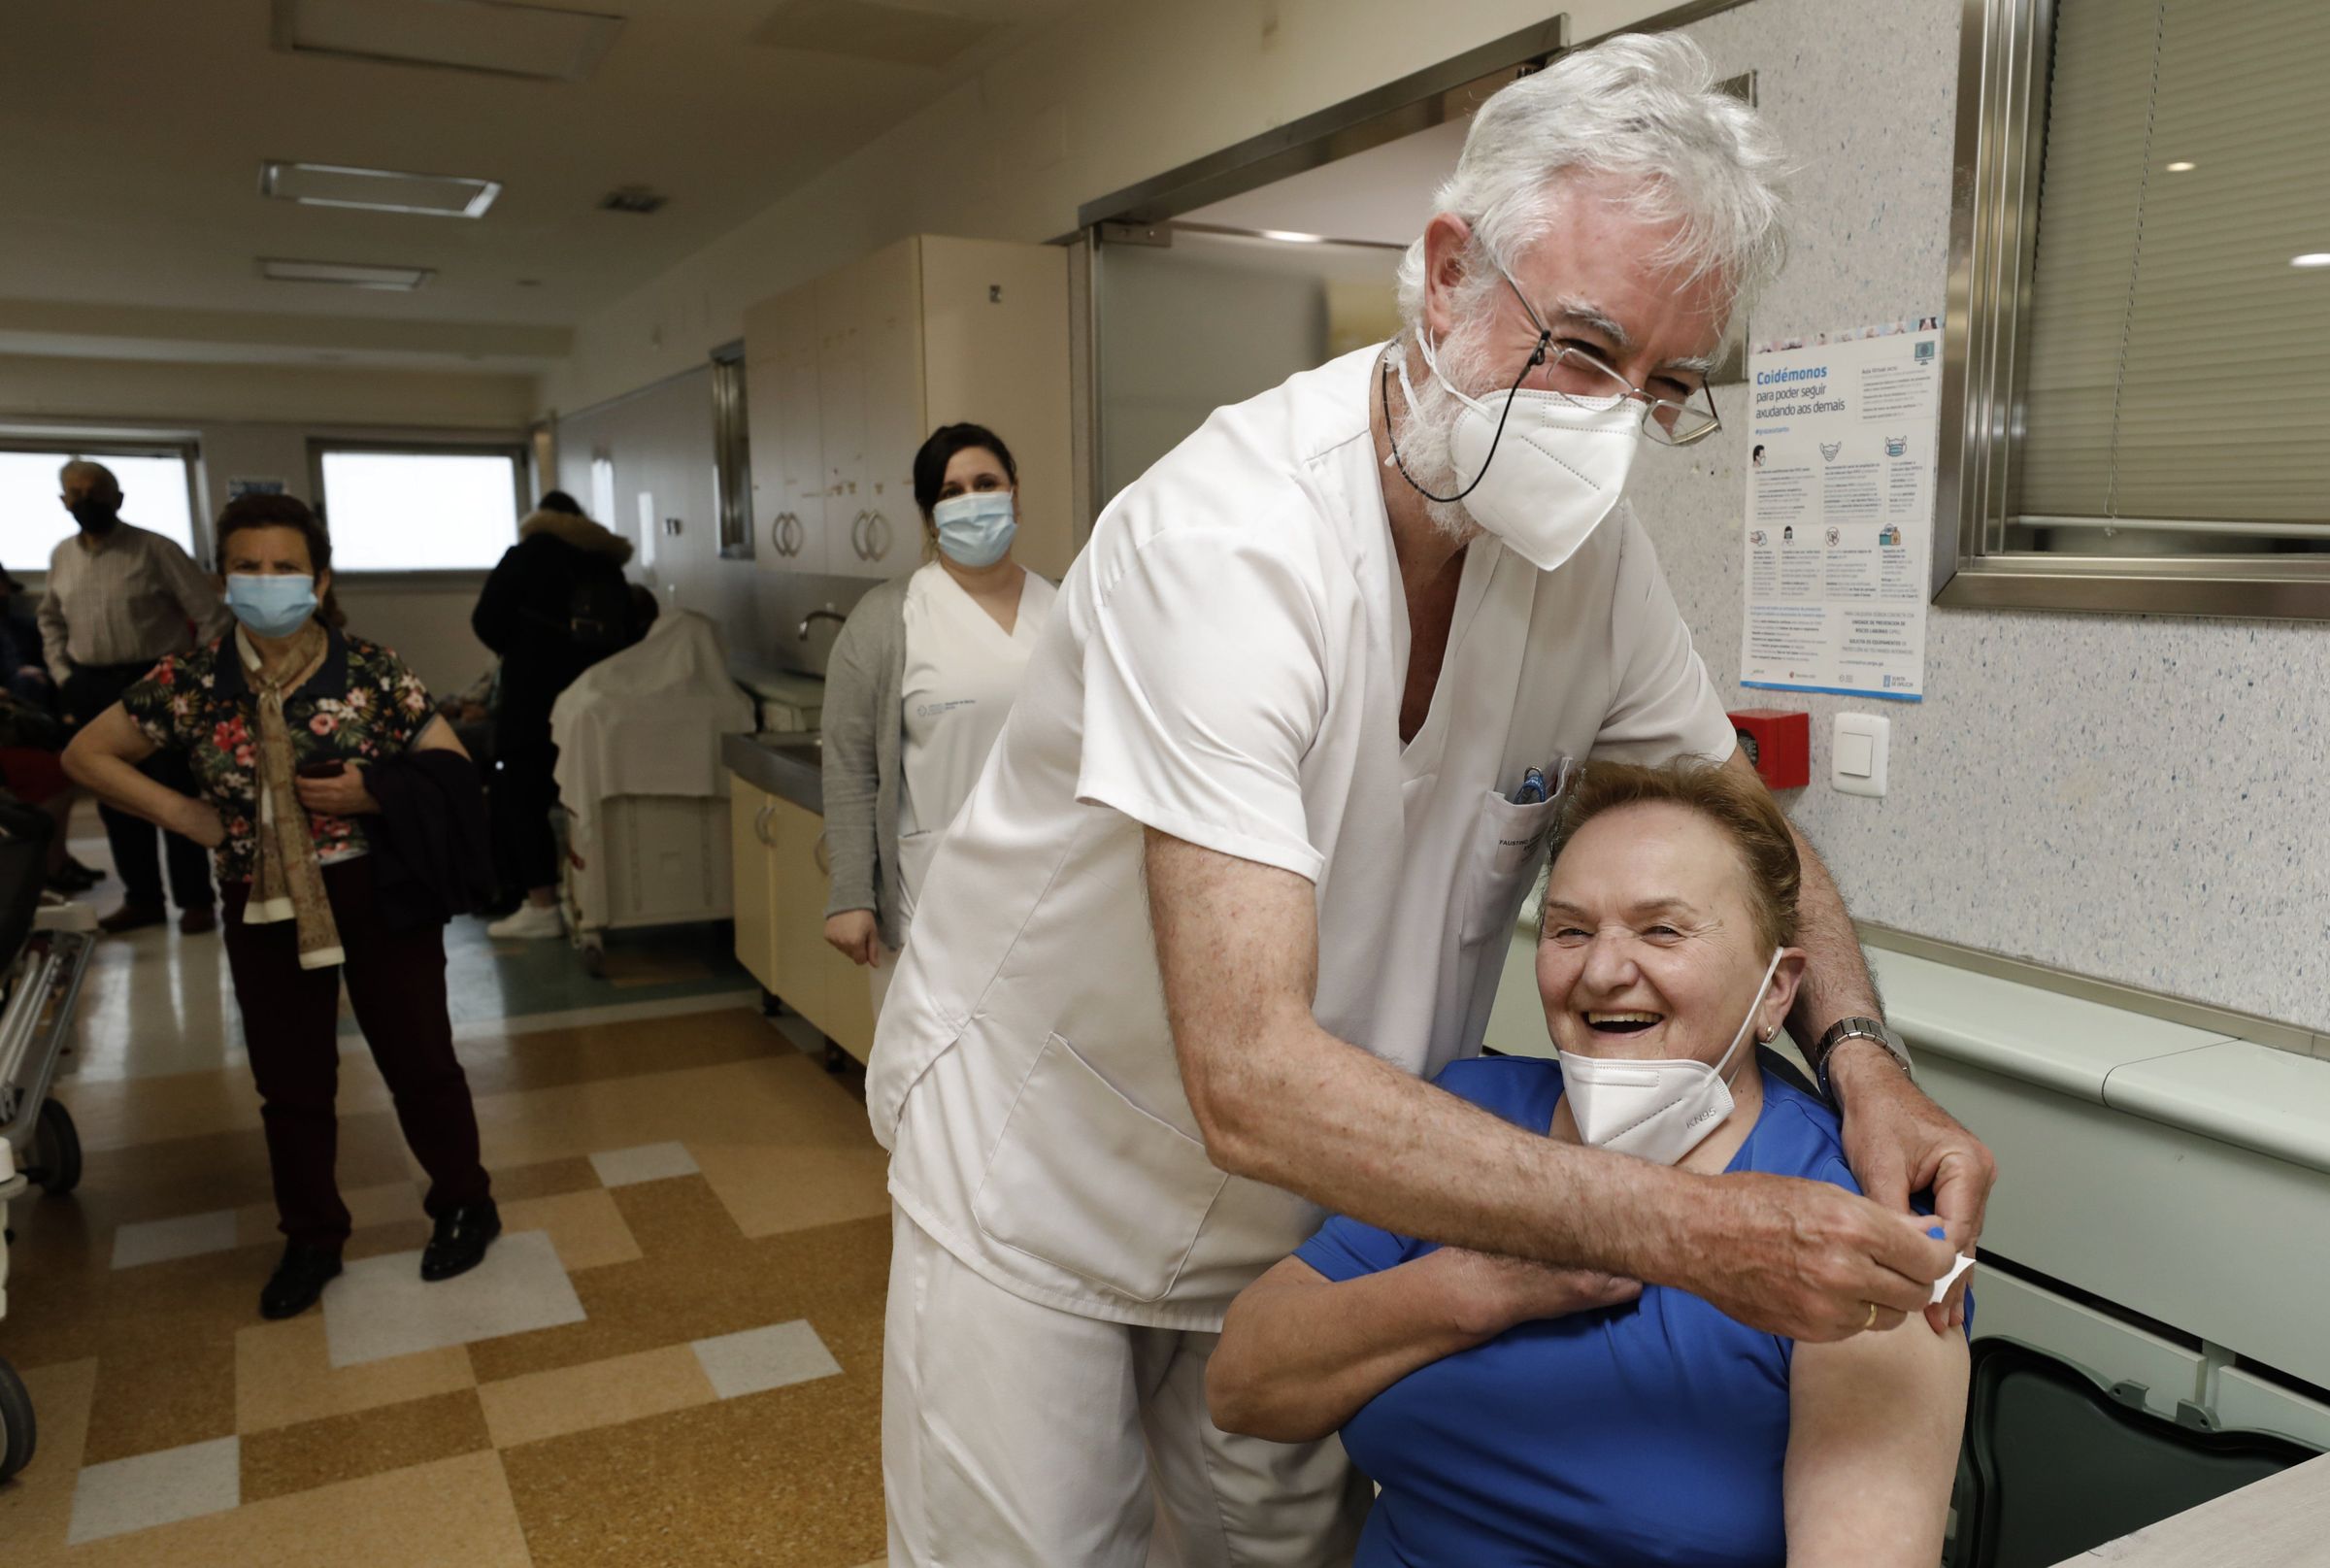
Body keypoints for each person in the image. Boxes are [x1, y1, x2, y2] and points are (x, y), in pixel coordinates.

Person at [867, 34, 1994, 1566]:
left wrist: (1862, 1059)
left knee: (1277, 1540)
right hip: (1052, 1165)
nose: (1614, 424)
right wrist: (1691, 1228)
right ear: (1450, 271)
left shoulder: (1588, 566)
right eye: (1585, 352)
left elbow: (1755, 830)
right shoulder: (1229, 547)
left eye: (1668, 388)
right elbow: (1247, 1070)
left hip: (1324, 1189)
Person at [1207, 760, 1971, 1566]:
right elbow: (1242, 1385)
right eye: (1570, 930)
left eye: (1662, 930)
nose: (1602, 971)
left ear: (1777, 990)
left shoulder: (1856, 1219)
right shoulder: (1466, 1114)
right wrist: (1482, 1283)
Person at [64, 493, 501, 1320]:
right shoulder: (193, 681)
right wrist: (185, 814)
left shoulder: (372, 670)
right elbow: (85, 754)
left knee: (420, 1060)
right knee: (290, 1081)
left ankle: (465, 1202)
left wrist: (376, 789)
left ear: (319, 579)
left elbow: (453, 770)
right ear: (222, 579)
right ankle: (311, 1237)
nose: (267, 581)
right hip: (258, 896)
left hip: (379, 891)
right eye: (249, 566)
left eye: (286, 567)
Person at [821, 424, 1059, 1013]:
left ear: (1015, 493)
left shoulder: (1064, 608)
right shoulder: (888, 619)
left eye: (986, 483)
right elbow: (850, 766)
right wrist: (851, 894)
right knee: (931, 1057)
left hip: (1054, 889)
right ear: (930, 516)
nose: (972, 501)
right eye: (952, 493)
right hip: (930, 898)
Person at [39, 460, 229, 934]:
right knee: (115, 796)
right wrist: (64, 675)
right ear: (63, 501)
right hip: (92, 683)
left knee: (174, 790)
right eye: (76, 493)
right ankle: (142, 899)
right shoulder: (62, 555)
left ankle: (196, 900)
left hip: (157, 681)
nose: (86, 501)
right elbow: (50, 620)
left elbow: (211, 615)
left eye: (96, 492)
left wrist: (190, 678)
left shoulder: (156, 549)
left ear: (118, 498)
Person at [469, 489, 636, 937]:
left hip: (532, 698)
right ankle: (595, 898)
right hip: (597, 701)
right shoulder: (606, 563)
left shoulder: (526, 556)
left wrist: (525, 649)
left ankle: (541, 904)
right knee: (587, 799)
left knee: (521, 796)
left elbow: (486, 621)